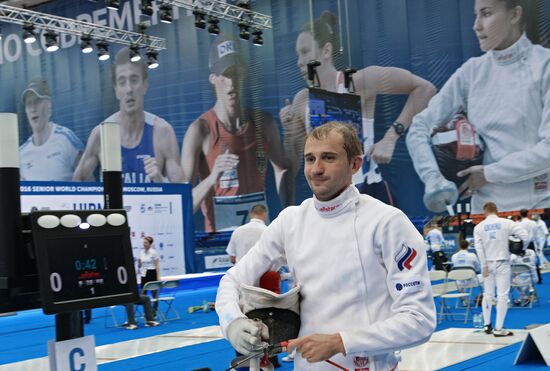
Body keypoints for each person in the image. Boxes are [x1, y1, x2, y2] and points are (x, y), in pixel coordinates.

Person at [216, 122, 435, 370]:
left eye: (328, 158)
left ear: (355, 164)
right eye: (310, 159)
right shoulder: (290, 221)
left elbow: (419, 320)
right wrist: (232, 323)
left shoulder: (387, 222)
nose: (316, 169)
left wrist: (342, 341)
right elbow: (231, 281)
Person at [406, 0, 550, 214]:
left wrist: (488, 174)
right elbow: (419, 127)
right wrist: (433, 179)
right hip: (486, 213)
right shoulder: (472, 72)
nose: (477, 25)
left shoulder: (544, 65)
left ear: (514, 15)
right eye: (476, 15)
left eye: (486, 14)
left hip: (541, 206)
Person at [280, 11, 436, 205]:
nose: (299, 62)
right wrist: (288, 131)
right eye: (297, 55)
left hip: (367, 194)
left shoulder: (357, 82)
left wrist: (391, 137)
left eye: (305, 52)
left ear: (327, 51)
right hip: (327, 201)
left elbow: (424, 89)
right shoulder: (302, 99)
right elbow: (293, 167)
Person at [181, 35, 288, 232]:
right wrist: (212, 178)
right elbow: (183, 204)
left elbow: (282, 169)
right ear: (213, 79)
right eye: (225, 74)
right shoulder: (200, 130)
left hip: (259, 239)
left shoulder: (264, 123)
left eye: (236, 73)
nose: (231, 82)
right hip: (221, 244)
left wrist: (288, 216)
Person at [73, 47, 184, 183]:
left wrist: (161, 182)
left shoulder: (162, 132)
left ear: (145, 85)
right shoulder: (101, 134)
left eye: (134, 80)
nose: (129, 89)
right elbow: (77, 183)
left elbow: (182, 194)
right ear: (116, 90)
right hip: (115, 205)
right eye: (122, 82)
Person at [473, 202, 527, 337]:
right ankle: (498, 328)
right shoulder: (506, 223)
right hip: (503, 262)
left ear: (484, 212)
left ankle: (487, 325)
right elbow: (525, 235)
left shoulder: (479, 227)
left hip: (487, 264)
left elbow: (478, 248)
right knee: (502, 295)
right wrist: (521, 249)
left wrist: (484, 265)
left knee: (488, 294)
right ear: (497, 211)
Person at [19, 77, 83, 181]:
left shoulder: (66, 139)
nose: (33, 108)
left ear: (48, 104)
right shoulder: (21, 154)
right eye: (28, 104)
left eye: (37, 101)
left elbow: (88, 183)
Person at [139, 236, 161, 313]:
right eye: (143, 243)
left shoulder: (154, 252)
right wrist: (139, 262)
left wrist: (158, 277)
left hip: (151, 272)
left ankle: (155, 310)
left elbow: (157, 265)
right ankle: (147, 311)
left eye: (146, 243)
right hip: (143, 274)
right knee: (143, 294)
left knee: (154, 293)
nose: (144, 244)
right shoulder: (141, 252)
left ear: (150, 244)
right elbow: (139, 265)